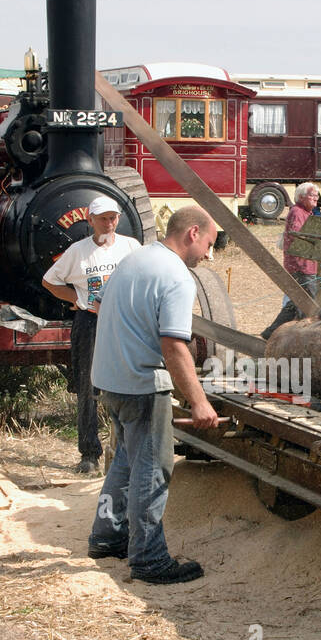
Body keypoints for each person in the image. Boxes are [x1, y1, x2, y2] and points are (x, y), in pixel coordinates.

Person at [88, 205, 220, 584]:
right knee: (153, 467)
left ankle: (107, 536)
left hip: (110, 379)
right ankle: (148, 559)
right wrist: (198, 401)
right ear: (193, 233)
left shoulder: (137, 258)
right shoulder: (177, 276)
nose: (208, 255)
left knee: (126, 459)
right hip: (141, 384)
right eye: (209, 244)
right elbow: (175, 346)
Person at [42, 195, 139, 473]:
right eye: (103, 219)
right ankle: (89, 454)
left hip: (123, 321)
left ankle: (125, 448)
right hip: (91, 322)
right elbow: (49, 281)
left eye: (113, 218)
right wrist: (75, 299)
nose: (109, 223)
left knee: (128, 383)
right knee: (88, 386)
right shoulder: (78, 251)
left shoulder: (131, 247)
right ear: (91, 220)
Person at [260, 183, 320, 338]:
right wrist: (317, 240)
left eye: (317, 195)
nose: (316, 198)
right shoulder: (297, 212)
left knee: (298, 303)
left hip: (307, 264)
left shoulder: (307, 213)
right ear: (301, 197)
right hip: (301, 265)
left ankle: (276, 332)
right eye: (312, 195)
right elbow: (296, 234)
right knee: (305, 303)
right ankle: (278, 332)